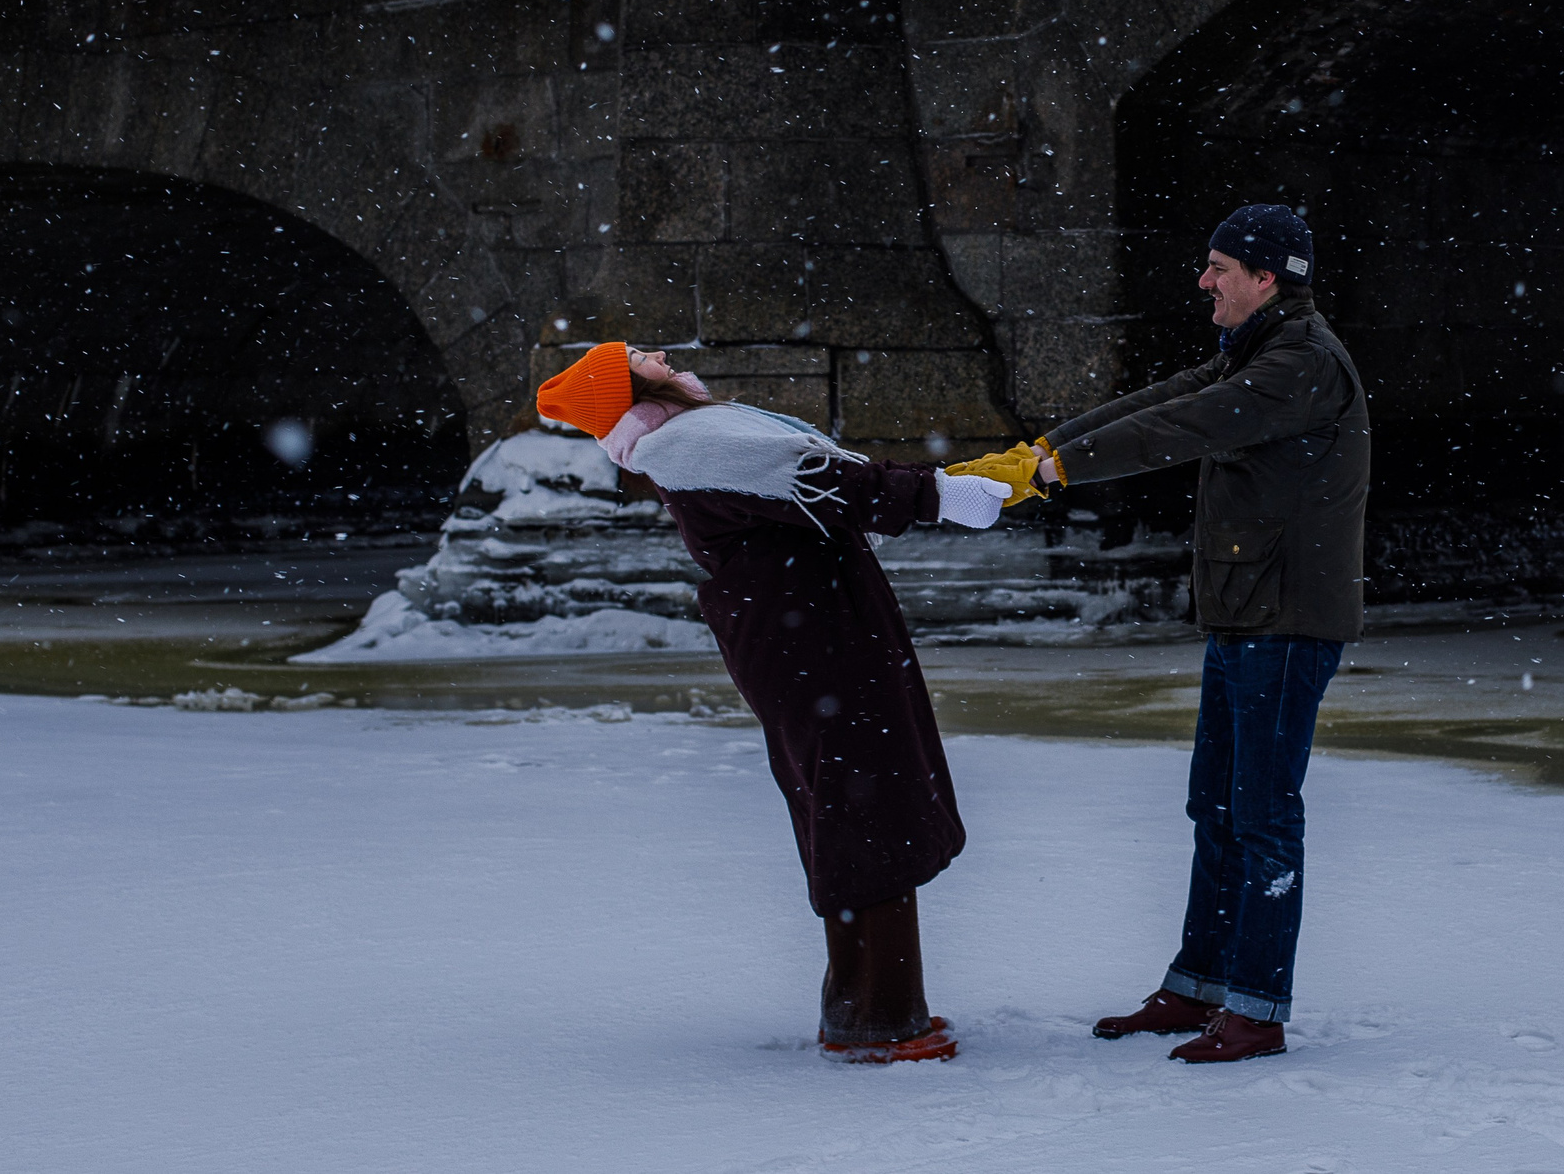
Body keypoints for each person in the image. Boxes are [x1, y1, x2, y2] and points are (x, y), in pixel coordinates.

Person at [950, 203, 1369, 1064]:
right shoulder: (1256, 350)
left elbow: (1189, 426)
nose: (1204, 280)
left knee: (1261, 816)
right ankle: (1198, 986)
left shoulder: (1303, 365)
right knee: (1214, 806)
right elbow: (1171, 397)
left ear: (1267, 277)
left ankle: (1254, 1008)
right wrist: (1041, 450)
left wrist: (1059, 468)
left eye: (1220, 267)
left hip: (1287, 623)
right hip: (1246, 613)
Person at [536, 342, 1010, 1064]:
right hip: (814, 633)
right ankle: (881, 1021)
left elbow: (821, 488)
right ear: (628, 385)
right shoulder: (694, 442)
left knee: (848, 801)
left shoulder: (687, 439)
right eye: (639, 354)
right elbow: (825, 480)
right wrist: (941, 494)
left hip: (804, 629)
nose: (658, 352)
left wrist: (931, 488)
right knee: (862, 805)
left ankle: (864, 1006)